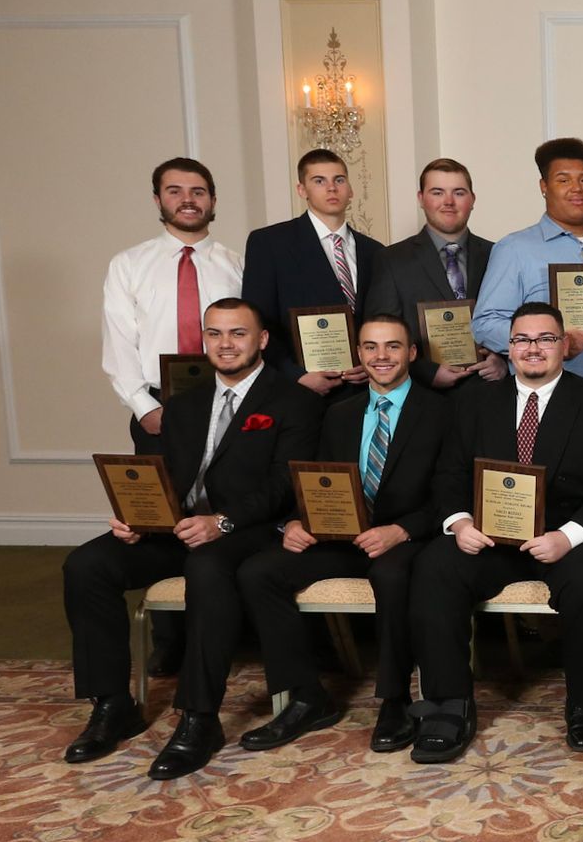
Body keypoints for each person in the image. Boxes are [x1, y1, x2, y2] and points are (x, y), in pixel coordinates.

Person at [61, 298, 321, 778]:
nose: (226, 344)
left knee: (207, 566)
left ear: (261, 340)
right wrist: (135, 515)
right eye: (216, 334)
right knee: (86, 564)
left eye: (238, 333)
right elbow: (163, 478)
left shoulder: (294, 402)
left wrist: (221, 522)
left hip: (249, 530)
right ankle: (113, 704)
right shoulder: (182, 406)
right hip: (178, 528)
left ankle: (199, 717)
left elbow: (285, 483)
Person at [407, 302, 583, 763]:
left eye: (546, 339)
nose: (533, 348)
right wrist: (460, 522)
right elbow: (448, 474)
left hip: (569, 535)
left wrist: (568, 536)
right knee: (435, 565)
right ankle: (448, 706)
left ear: (564, 346)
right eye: (522, 340)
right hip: (491, 536)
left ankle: (580, 704)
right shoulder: (472, 401)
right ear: (509, 348)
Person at [236, 314, 451, 755]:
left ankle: (394, 699)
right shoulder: (338, 414)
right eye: (371, 347)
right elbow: (315, 481)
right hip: (342, 536)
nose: (381, 356)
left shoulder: (441, 413)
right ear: (359, 354)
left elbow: (452, 491)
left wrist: (400, 530)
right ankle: (306, 696)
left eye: (393, 346)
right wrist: (295, 521)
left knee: (391, 578)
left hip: (407, 538)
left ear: (411, 353)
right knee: (259, 573)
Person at [104, 157, 245, 453]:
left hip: (230, 403)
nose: (187, 200)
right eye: (174, 191)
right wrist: (145, 408)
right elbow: (119, 345)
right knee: (165, 499)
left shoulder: (239, 265)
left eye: (198, 192)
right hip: (158, 406)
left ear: (213, 200)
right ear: (157, 200)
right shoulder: (128, 265)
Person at [473, 138, 583, 386]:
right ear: (544, 186)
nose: (577, 188)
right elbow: (484, 324)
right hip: (545, 398)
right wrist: (548, 341)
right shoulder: (514, 249)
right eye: (563, 180)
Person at [241, 149, 384, 395]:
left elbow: (381, 318)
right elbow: (256, 322)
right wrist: (296, 375)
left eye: (339, 180)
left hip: (365, 388)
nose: (331, 188)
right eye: (319, 181)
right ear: (302, 190)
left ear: (350, 190)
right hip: (301, 390)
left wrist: (371, 364)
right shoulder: (269, 243)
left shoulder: (375, 251)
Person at [360, 158, 505, 393]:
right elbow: (380, 333)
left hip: (490, 395)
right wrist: (427, 371)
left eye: (458, 192)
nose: (448, 202)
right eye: (437, 192)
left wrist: (503, 360)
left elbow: (518, 323)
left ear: (473, 199)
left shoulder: (498, 254)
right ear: (421, 199)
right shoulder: (391, 260)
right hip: (423, 396)